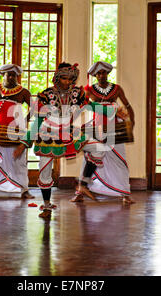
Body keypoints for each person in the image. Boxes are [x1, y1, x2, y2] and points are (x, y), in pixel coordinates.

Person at [13, 62, 115, 218]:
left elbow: (91, 106)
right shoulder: (46, 95)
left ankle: (83, 184)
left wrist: (111, 110)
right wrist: (24, 143)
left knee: (98, 149)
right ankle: (46, 206)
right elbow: (37, 121)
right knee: (45, 171)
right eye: (64, 78)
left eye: (70, 79)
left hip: (70, 133)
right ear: (57, 78)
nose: (67, 82)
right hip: (48, 135)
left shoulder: (77, 94)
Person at [70, 61, 135, 204]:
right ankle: (81, 191)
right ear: (95, 75)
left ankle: (125, 193)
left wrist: (131, 122)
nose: (101, 75)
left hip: (115, 127)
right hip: (96, 126)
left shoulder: (117, 88)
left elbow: (127, 105)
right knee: (89, 158)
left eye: (103, 72)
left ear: (108, 73)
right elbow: (82, 106)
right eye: (98, 73)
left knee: (119, 159)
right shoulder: (89, 89)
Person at [0, 64, 34, 199]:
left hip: (16, 132)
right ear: (3, 75)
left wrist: (24, 120)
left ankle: (24, 190)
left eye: (13, 75)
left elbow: (33, 108)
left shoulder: (24, 92)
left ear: (17, 76)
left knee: (19, 160)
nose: (11, 77)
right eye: (8, 74)